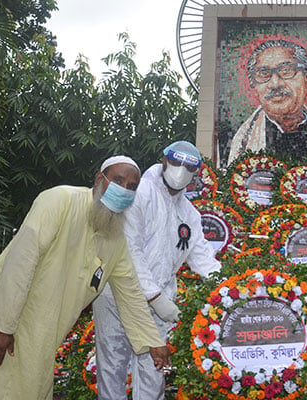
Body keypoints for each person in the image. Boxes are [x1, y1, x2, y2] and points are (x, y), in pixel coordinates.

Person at [0, 156, 171, 400]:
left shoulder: (116, 239)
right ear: (99, 180)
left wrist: (153, 342)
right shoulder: (60, 200)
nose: (124, 189)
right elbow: (21, 261)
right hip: (9, 322)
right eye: (118, 180)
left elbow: (131, 294)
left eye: (131, 186)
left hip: (43, 334)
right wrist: (2, 325)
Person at [93, 141, 222, 399]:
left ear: (196, 174)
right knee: (112, 369)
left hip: (159, 304)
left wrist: (230, 289)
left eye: (189, 167)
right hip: (117, 295)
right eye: (176, 163)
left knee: (154, 372)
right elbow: (129, 249)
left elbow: (203, 258)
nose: (181, 170)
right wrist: (153, 296)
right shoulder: (138, 192)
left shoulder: (189, 214)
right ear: (164, 161)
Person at [227, 39, 307, 166]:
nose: (275, 84)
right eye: (264, 74)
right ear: (254, 86)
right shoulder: (229, 144)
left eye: (286, 70)